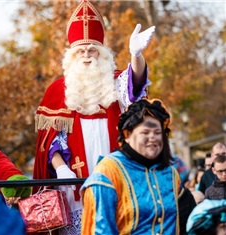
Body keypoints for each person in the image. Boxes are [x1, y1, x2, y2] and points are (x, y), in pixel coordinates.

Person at [33, 0, 155, 233]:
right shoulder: (58, 90)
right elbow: (51, 142)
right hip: (73, 185)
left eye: (92, 50)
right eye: (81, 50)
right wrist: (60, 169)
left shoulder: (115, 82)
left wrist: (136, 55)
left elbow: (136, 84)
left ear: (102, 53)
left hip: (115, 174)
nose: (87, 55)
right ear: (72, 55)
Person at [80, 98, 195, 234]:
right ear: (127, 135)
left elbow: (186, 222)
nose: (153, 137)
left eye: (157, 133)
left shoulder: (170, 173)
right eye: (145, 132)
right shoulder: (108, 172)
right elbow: (100, 229)